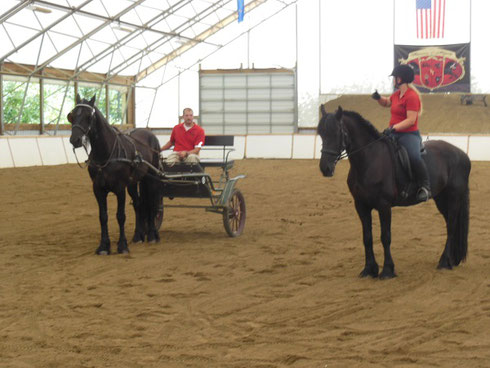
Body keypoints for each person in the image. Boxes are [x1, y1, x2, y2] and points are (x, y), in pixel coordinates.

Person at [371, 64, 431, 202]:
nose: (393, 80)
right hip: (394, 132)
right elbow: (387, 103)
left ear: (400, 79)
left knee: (414, 157)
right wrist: (378, 98)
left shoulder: (412, 96)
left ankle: (425, 186)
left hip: (409, 135)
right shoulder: (397, 95)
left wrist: (394, 128)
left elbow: (411, 120)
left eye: (395, 78)